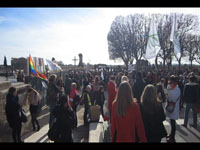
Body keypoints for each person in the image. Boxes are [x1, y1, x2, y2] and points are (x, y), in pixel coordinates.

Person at [165, 75, 181, 143]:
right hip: (170, 106)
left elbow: (174, 99)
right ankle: (171, 134)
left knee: (173, 123)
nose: (170, 83)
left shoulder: (177, 89)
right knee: (171, 122)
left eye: (171, 81)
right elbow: (167, 96)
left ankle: (172, 137)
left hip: (174, 108)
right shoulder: (169, 87)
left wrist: (169, 96)